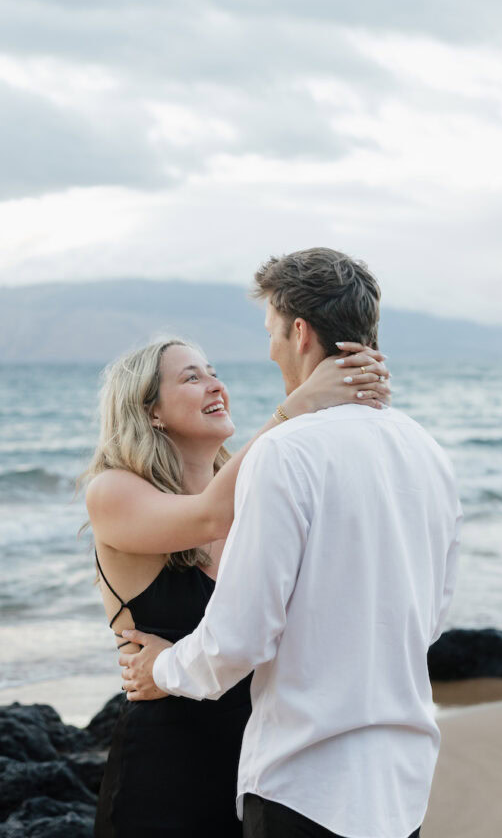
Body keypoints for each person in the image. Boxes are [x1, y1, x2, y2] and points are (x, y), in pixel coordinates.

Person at [120, 248, 464, 838]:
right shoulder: (428, 451)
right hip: (402, 785)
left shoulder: (286, 452)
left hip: (305, 788)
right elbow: (428, 618)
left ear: (299, 332)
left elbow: (241, 635)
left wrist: (164, 669)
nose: (270, 348)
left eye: (271, 331)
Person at [85, 331, 390, 837]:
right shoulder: (113, 492)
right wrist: (298, 407)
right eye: (191, 377)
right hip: (165, 774)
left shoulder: (252, 498)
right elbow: (208, 515)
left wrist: (361, 401)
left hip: (261, 766)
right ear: (151, 411)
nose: (214, 386)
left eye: (214, 373)